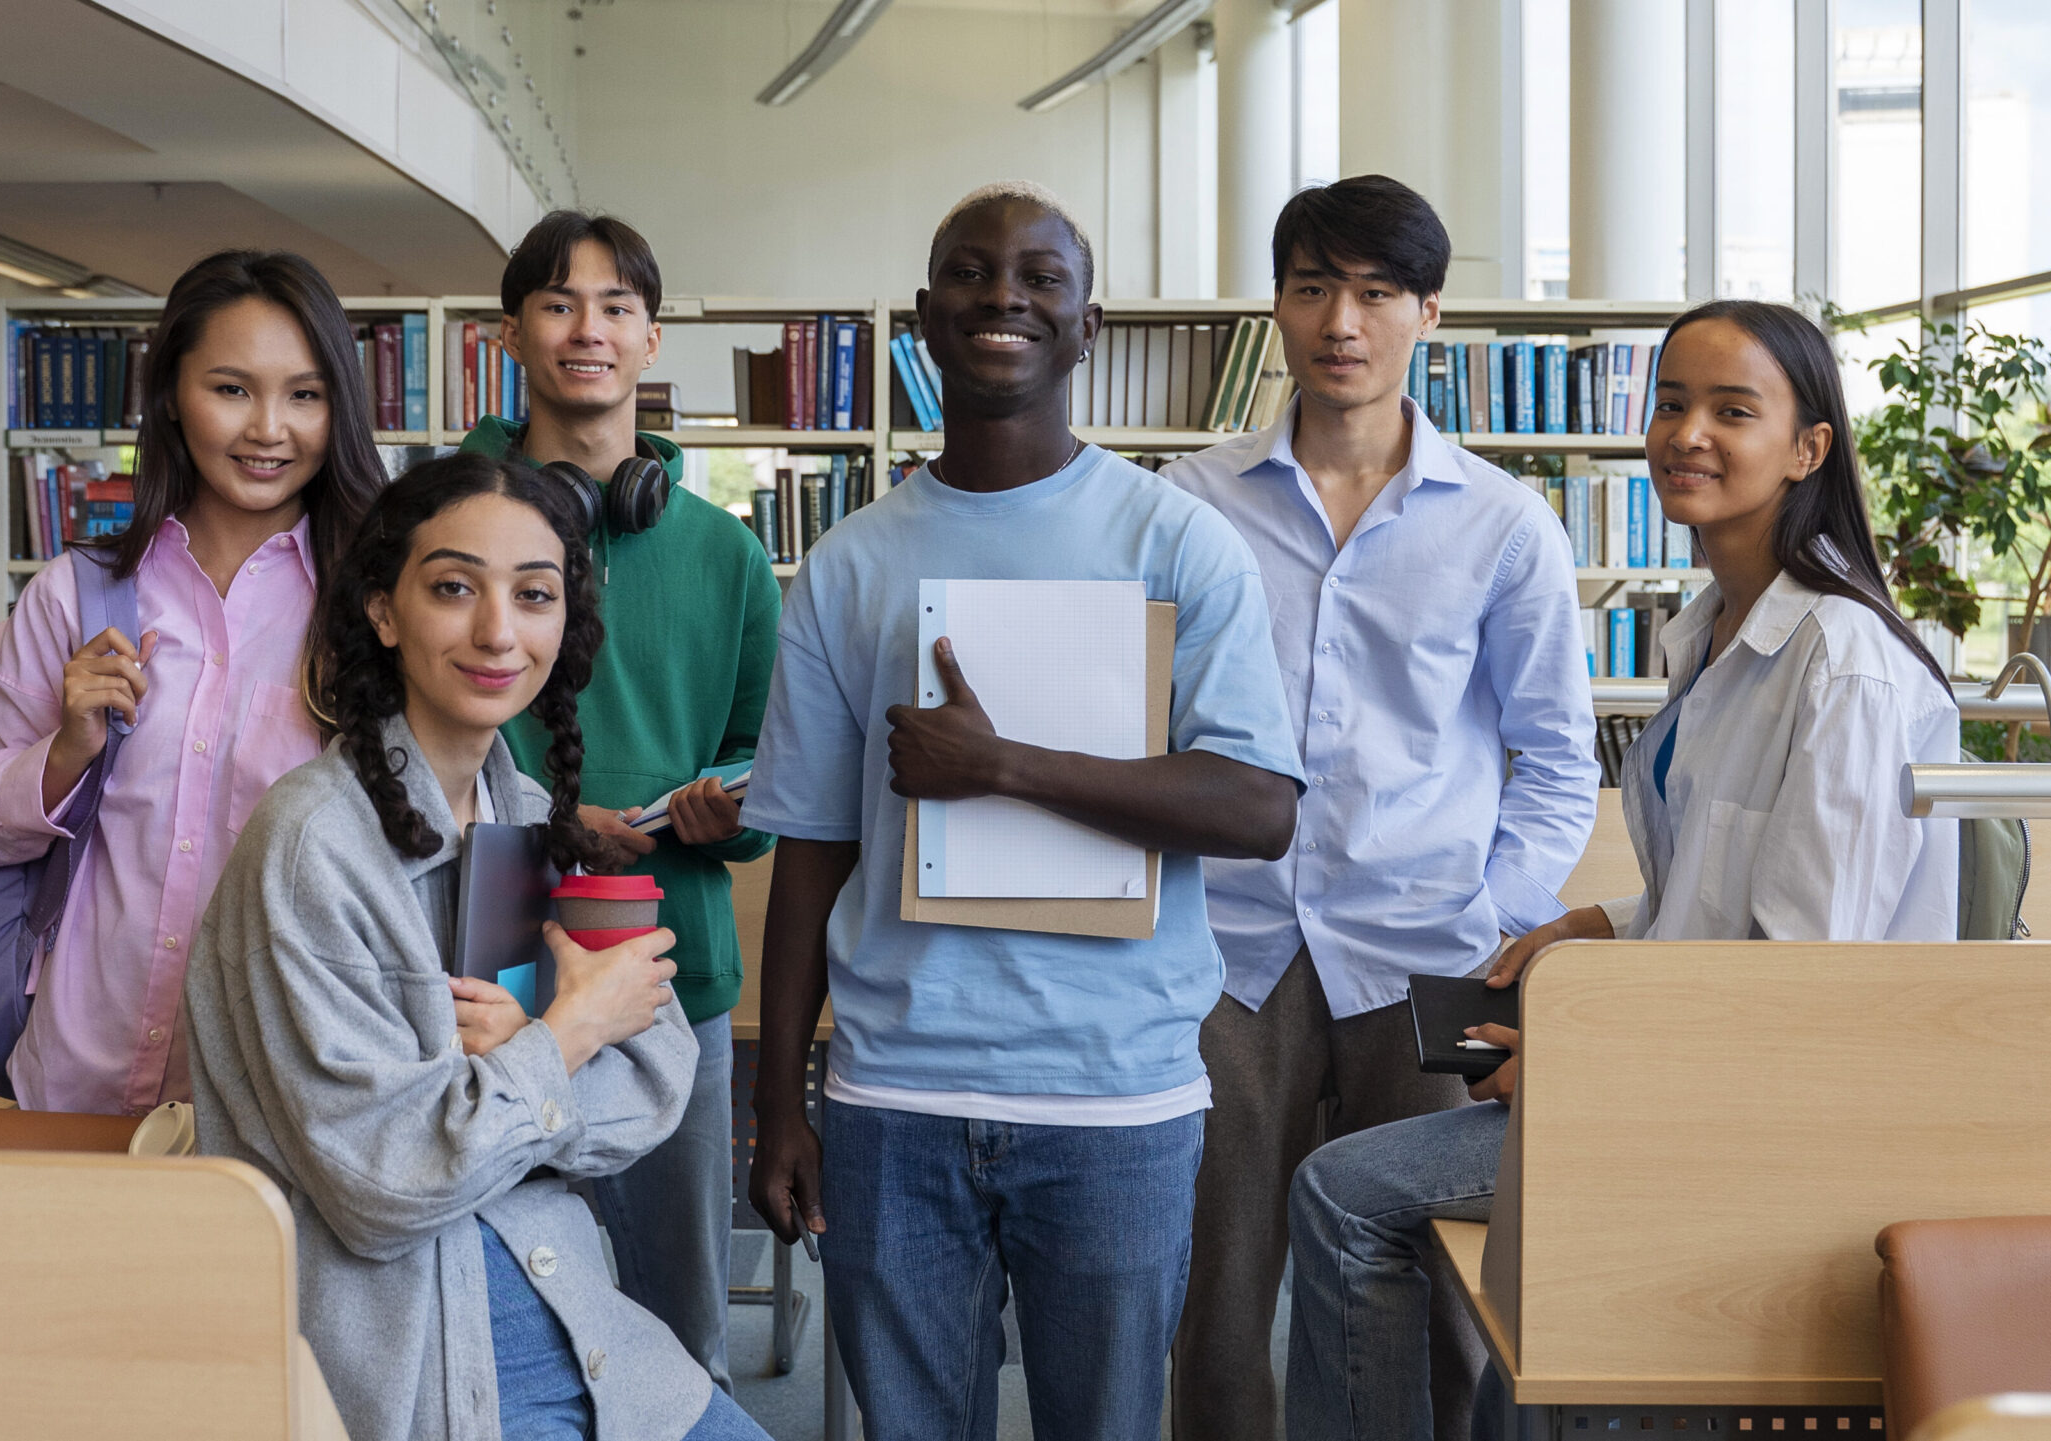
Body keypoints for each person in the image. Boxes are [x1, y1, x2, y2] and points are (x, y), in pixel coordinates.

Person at [1281, 298, 1960, 1441]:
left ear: (1807, 449)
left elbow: (1806, 974)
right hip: (1689, 1074)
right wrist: (1600, 919)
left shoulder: (1842, 668)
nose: (1686, 433)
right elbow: (1737, 880)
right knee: (1490, 1292)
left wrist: (1577, 1063)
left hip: (1756, 1110)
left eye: (1731, 411)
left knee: (1343, 1196)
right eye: (1671, 403)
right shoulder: (1709, 630)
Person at [742, 181, 1309, 1441]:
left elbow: (1259, 806)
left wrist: (1004, 766)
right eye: (969, 272)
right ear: (926, 318)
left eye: (1039, 276)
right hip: (894, 1095)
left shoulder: (1179, 544)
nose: (1003, 294)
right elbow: (812, 848)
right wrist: (781, 1100)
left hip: (1116, 1098)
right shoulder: (850, 564)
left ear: (1087, 322)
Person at [185, 451, 774, 1441]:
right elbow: (384, 1184)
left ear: (563, 625)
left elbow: (659, 1076)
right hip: (419, 1356)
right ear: (384, 611)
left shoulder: (527, 813)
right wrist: (568, 1033)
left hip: (575, 1309)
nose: (499, 630)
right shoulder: (311, 845)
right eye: (454, 588)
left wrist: (525, 1063)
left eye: (533, 595)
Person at [1159, 175, 1599, 1441]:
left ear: (1428, 314)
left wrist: (1495, 921)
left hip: (1427, 948)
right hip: (1230, 948)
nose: (1339, 321)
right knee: (1220, 1294)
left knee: (1435, 1285)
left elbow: (1557, 754)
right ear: (1279, 307)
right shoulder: (1191, 505)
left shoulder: (1506, 524)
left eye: (1373, 292)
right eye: (1311, 289)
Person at [458, 210, 778, 1392]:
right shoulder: (451, 526)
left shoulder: (723, 555)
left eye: (613, 307)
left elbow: (769, 764)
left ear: (650, 337)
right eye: (555, 303)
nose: (585, 329)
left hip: (664, 980)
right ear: (509, 333)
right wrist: (545, 815)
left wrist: (725, 808)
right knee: (490, 1324)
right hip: (483, 979)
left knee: (676, 1332)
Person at [0, 249, 384, 1116]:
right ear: (171, 399)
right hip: (77, 1069)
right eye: (231, 389)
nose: (269, 428)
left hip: (284, 1090)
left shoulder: (380, 609)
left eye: (304, 394)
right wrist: (68, 749)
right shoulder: (76, 596)